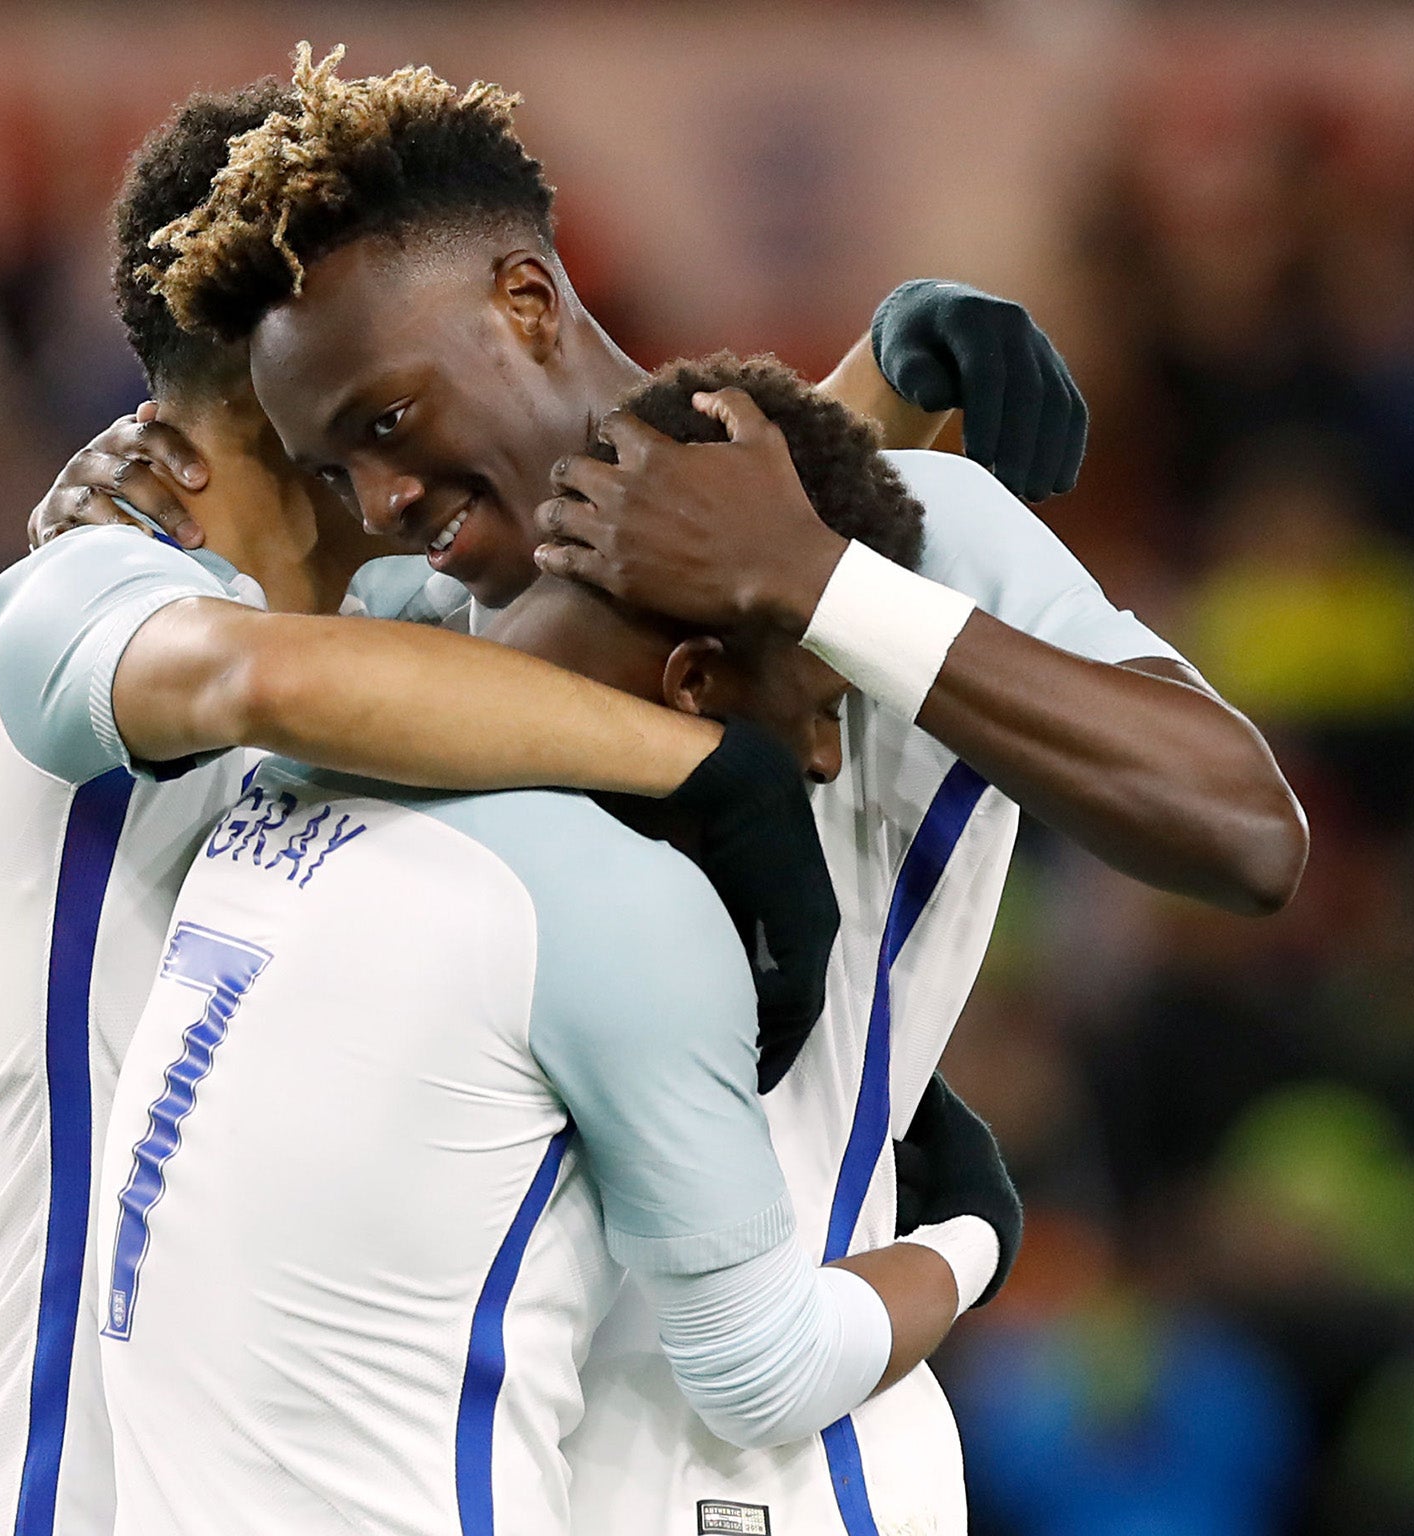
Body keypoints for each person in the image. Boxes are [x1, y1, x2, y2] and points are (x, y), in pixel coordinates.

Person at [0, 80, 1076, 1536]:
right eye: (353, 436)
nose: (395, 491)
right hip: (45, 1488)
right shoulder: (84, 600)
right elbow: (259, 680)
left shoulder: (401, 638)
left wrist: (866, 385)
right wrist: (699, 770)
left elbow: (634, 561)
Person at [140, 45, 1310, 1535]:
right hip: (476, 1469)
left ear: (527, 304)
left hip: (767, 1469)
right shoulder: (410, 624)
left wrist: (818, 581)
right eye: (334, 467)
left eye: (387, 423)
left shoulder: (894, 535)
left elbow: (1243, 831)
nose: (383, 502)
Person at [91, 360, 1022, 1536]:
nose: (828, 763)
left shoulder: (283, 778)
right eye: (825, 706)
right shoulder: (622, 909)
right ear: (691, 684)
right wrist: (968, 1236)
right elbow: (760, 1369)